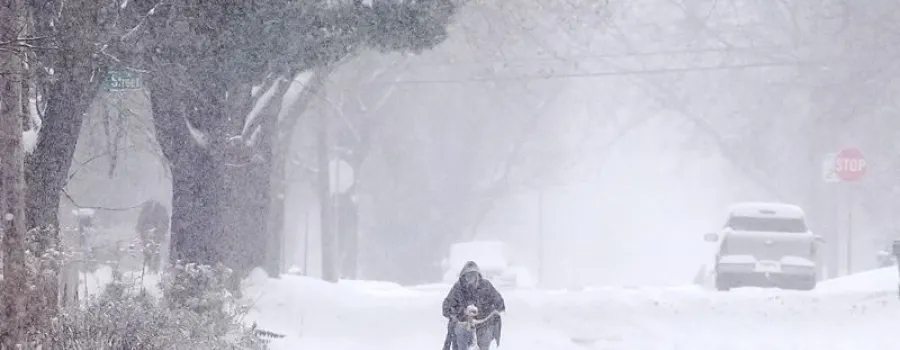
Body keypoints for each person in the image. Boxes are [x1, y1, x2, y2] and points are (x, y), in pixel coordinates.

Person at [442, 261, 506, 350]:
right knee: (460, 334)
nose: (471, 278)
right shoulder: (458, 288)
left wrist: (493, 310)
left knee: (485, 339)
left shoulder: (486, 286)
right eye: (468, 275)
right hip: (464, 323)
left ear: (478, 276)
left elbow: (499, 301)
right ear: (463, 276)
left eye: (473, 275)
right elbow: (446, 306)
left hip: (484, 324)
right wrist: (461, 312)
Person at [135, 199, 170, 273]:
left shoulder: (147, 212)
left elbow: (140, 222)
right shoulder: (160, 211)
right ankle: (151, 267)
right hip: (151, 233)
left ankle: (152, 267)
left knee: (153, 250)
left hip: (151, 233)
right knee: (153, 250)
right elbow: (165, 223)